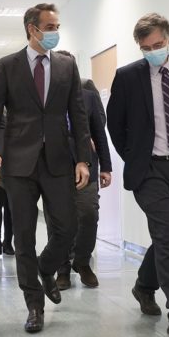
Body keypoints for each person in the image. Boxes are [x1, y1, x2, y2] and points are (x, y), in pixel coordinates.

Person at [0, 3, 92, 333]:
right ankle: (34, 304)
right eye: (51, 26)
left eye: (57, 26)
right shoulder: (7, 65)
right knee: (24, 235)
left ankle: (45, 267)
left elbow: (78, 115)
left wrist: (83, 158)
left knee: (68, 227)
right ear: (33, 29)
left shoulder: (66, 65)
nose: (55, 32)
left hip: (58, 160)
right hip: (19, 164)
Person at [106, 12, 169, 337]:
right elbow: (115, 124)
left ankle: (144, 285)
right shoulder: (127, 77)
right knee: (167, 236)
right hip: (149, 170)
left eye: (158, 44)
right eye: (146, 47)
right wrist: (136, 159)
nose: (152, 51)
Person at [49, 51, 113, 290]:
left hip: (86, 163)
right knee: (57, 220)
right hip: (53, 167)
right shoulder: (44, 99)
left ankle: (83, 261)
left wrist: (106, 166)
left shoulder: (88, 97)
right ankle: (62, 268)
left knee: (88, 213)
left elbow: (99, 133)